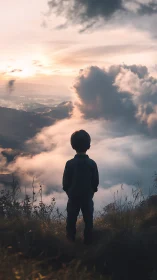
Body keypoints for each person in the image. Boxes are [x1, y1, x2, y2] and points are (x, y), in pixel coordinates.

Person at [62, 130, 99, 245]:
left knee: (71, 220)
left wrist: (69, 192)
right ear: (89, 145)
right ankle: (88, 243)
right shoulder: (92, 164)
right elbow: (95, 182)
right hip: (87, 197)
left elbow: (65, 183)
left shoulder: (70, 164)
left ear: (72, 145)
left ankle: (70, 242)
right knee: (88, 221)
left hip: (73, 197)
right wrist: (92, 191)